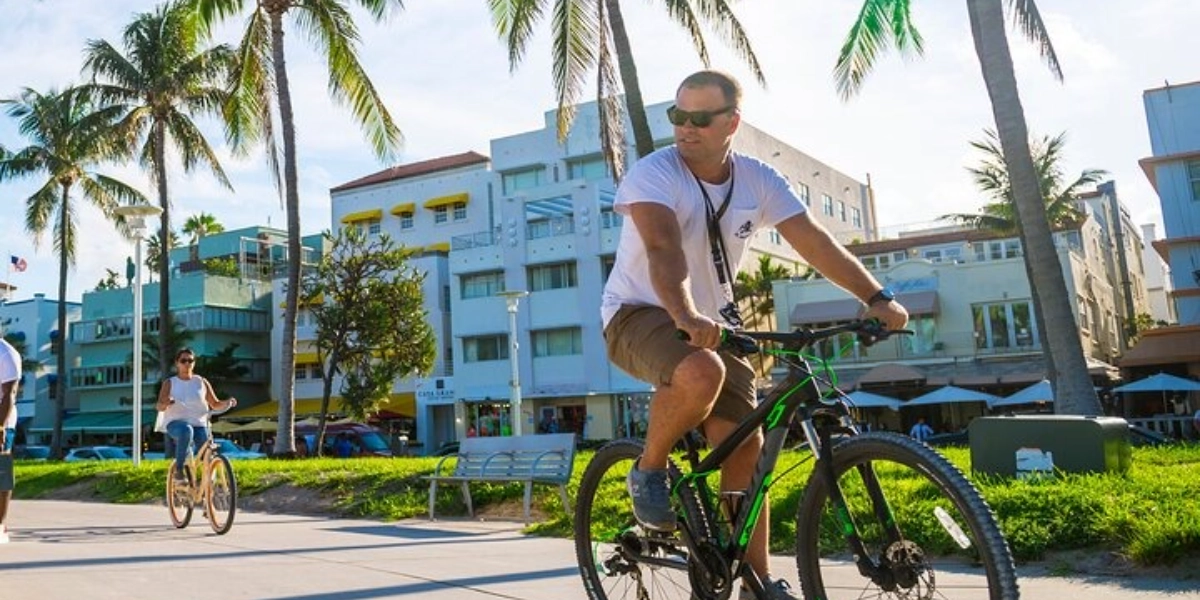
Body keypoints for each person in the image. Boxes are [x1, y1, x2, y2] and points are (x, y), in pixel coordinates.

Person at [600, 70, 909, 600]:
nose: (686, 128)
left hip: (716, 324)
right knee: (701, 370)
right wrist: (685, 314)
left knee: (745, 446)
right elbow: (662, 250)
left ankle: (754, 579)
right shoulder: (654, 175)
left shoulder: (759, 179)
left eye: (701, 118)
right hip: (639, 312)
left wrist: (876, 298)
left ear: (731, 122)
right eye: (678, 117)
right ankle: (649, 469)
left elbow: (813, 240)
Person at [155, 348, 237, 482]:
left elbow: (215, 404)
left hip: (199, 423)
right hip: (176, 424)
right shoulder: (170, 383)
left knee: (206, 452)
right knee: (186, 430)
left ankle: (207, 485)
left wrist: (228, 402)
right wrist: (166, 403)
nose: (187, 364)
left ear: (194, 363)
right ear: (177, 363)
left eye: (190, 360)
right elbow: (159, 405)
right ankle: (179, 470)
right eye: (183, 361)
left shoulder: (201, 382)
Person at [0, 338, 23, 544]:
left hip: (3, 421)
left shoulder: (6, 353)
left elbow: (10, 393)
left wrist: (0, 427)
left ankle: (0, 525)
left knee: (1, 471)